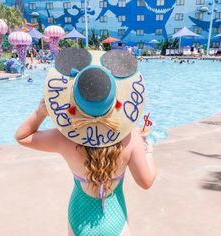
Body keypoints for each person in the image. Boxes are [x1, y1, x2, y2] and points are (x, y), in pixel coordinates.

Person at [15, 48, 156, 235]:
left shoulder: (63, 139)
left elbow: (22, 136)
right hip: (116, 222)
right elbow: (146, 182)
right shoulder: (131, 139)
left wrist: (41, 112)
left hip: (79, 219)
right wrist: (149, 150)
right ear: (115, 100)